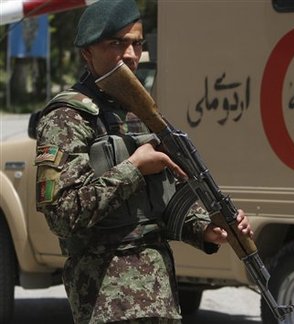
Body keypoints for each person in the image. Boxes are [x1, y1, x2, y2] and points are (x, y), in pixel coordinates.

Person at [34, 1, 253, 323]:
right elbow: (62, 215)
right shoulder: (67, 118)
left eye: (136, 43)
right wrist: (134, 168)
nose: (131, 55)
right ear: (86, 53)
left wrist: (205, 228)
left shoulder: (138, 112)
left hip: (158, 294)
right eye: (116, 43)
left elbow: (159, 203)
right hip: (106, 299)